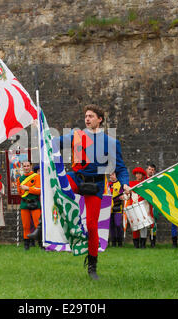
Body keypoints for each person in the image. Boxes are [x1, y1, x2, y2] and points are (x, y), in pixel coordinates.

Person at [54, 105, 130, 280]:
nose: (87, 119)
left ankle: (92, 266)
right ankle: (46, 226)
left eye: (91, 116)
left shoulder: (111, 143)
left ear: (100, 119)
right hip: (76, 178)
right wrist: (40, 129)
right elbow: (54, 142)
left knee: (92, 226)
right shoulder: (77, 136)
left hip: (95, 185)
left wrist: (124, 184)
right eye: (86, 116)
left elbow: (121, 168)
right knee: (57, 189)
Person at [16, 161, 41, 250]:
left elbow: (39, 190)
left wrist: (27, 188)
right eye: (24, 166)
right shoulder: (19, 179)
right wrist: (31, 189)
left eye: (28, 166)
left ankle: (41, 244)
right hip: (24, 203)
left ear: (31, 166)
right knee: (25, 225)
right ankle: (26, 245)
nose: (26, 167)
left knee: (37, 224)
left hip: (35, 202)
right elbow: (20, 192)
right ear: (22, 167)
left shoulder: (36, 176)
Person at [128, 167, 149, 248]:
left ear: (142, 175)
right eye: (137, 174)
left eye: (139, 174)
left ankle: (143, 244)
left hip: (144, 206)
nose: (138, 175)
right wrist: (124, 197)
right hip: (134, 206)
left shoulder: (145, 184)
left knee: (144, 225)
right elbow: (128, 195)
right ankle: (136, 245)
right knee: (135, 226)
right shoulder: (131, 184)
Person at [108, 172, 124, 247]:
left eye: (113, 175)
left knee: (117, 224)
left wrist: (121, 197)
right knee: (111, 225)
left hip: (117, 207)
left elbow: (122, 195)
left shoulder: (120, 184)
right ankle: (113, 242)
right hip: (109, 208)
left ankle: (120, 241)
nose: (111, 176)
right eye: (110, 175)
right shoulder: (107, 185)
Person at [145, 164, 159, 248]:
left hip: (154, 204)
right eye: (149, 169)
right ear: (147, 170)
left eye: (153, 169)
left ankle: (152, 242)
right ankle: (142, 242)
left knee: (154, 224)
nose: (151, 171)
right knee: (145, 223)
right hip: (145, 203)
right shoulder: (143, 180)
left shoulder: (156, 180)